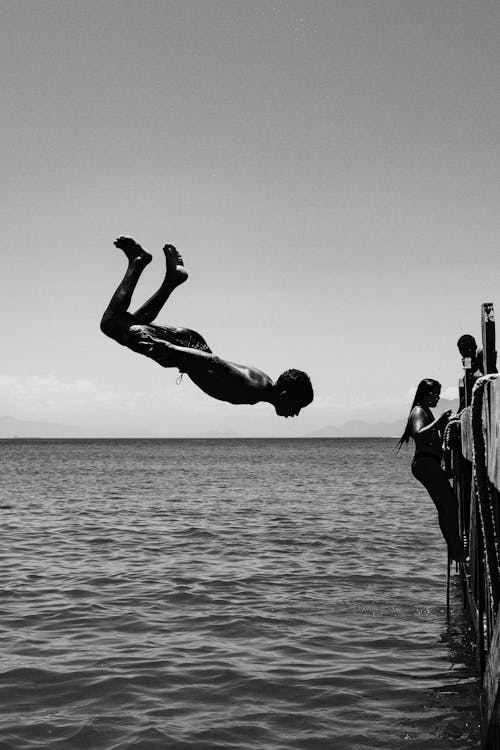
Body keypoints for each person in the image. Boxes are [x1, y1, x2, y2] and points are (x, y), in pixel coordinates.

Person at [100, 236, 313, 418]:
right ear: (285, 396)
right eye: (297, 407)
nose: (295, 414)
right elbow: (214, 362)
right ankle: (138, 262)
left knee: (128, 325)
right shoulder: (253, 390)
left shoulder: (265, 382)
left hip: (190, 348)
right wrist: (168, 349)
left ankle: (171, 280)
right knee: (111, 324)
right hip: (184, 351)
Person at [396, 378, 465, 562]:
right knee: (449, 504)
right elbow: (419, 433)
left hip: (429, 463)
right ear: (425, 395)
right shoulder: (418, 411)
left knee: (444, 507)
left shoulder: (425, 411)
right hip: (425, 463)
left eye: (438, 394)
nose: (437, 397)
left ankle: (455, 549)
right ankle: (456, 549)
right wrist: (440, 421)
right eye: (435, 394)